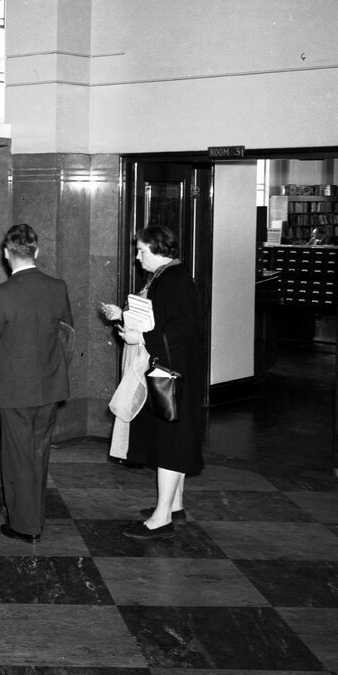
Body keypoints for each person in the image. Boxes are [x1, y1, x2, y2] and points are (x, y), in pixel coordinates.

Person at [104, 224, 204, 539]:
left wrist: (141, 336)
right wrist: (123, 318)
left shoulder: (176, 281)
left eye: (142, 250)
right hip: (166, 371)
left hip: (171, 375)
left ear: (159, 249)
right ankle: (174, 506)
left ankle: (162, 517)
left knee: (171, 441)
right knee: (170, 438)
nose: (137, 257)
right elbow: (157, 319)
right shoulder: (165, 277)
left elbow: (183, 327)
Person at [0, 223, 73, 544]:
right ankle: (34, 515)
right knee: (38, 452)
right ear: (37, 251)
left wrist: (3, 368)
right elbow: (67, 333)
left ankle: (25, 524)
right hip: (49, 386)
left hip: (14, 388)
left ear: (6, 254)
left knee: (17, 456)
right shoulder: (57, 287)